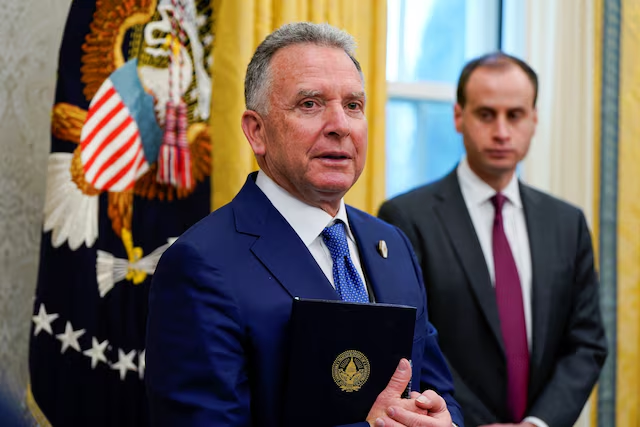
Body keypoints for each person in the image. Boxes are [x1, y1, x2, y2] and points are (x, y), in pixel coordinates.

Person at [145, 22, 464, 427]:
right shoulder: (201, 264)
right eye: (310, 104)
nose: (340, 125)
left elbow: (439, 389)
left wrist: (443, 420)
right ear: (256, 131)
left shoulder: (391, 244)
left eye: (353, 105)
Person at [378, 52, 608, 427]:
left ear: (534, 119)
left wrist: (537, 423)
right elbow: (409, 342)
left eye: (514, 115)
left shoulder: (568, 223)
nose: (501, 131)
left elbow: (586, 343)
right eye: (486, 114)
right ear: (458, 117)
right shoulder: (405, 218)